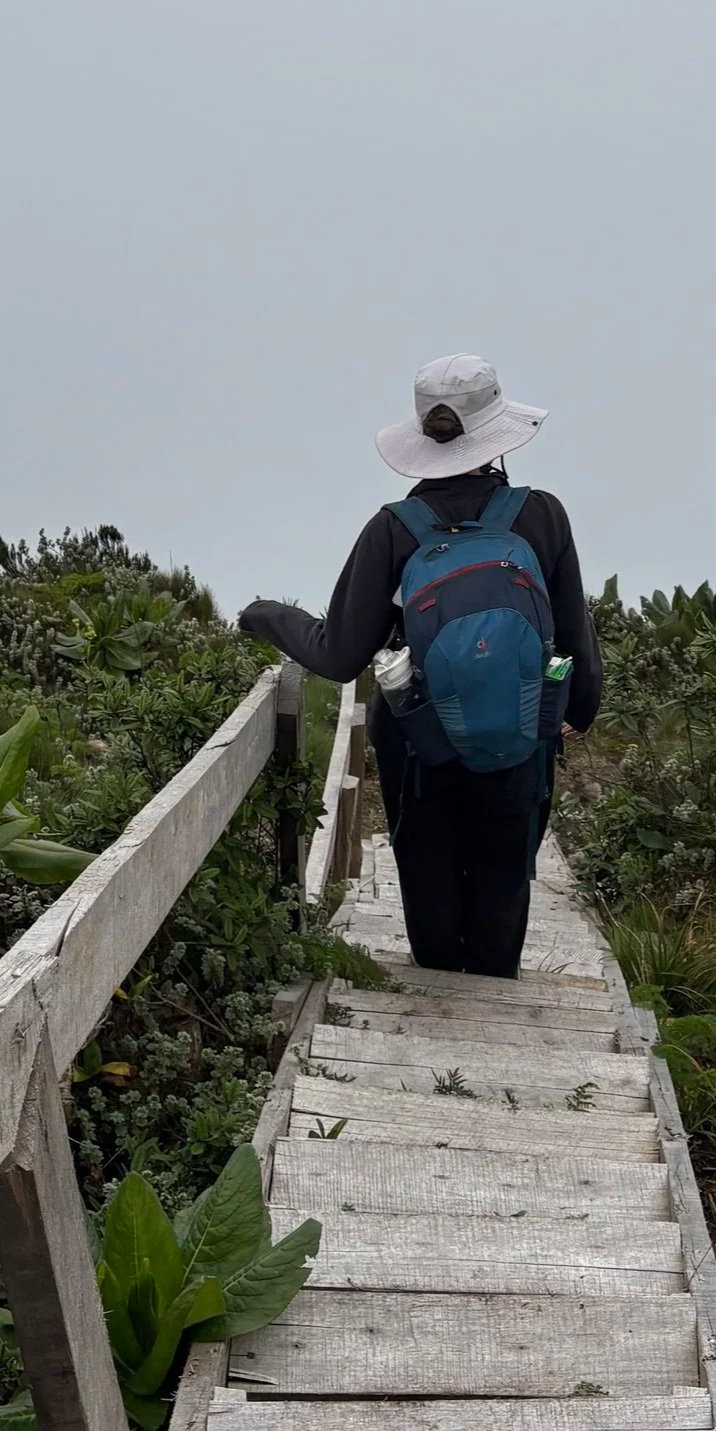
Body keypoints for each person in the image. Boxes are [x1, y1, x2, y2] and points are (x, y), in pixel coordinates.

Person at [239, 354, 603, 977]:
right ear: (497, 433)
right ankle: (494, 1003)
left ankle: (436, 991)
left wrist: (264, 615)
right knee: (504, 875)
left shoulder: (394, 529)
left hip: (420, 737)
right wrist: (578, 711)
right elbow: (574, 637)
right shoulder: (541, 515)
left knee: (428, 866)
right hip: (521, 732)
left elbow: (341, 652)